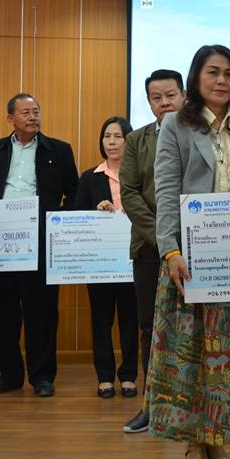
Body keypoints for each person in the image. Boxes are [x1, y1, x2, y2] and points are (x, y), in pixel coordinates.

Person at [150, 44, 230, 459]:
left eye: (229, 73)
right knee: (193, 355)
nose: (222, 80)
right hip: (190, 256)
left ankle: (218, 438)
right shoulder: (176, 124)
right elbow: (166, 188)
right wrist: (170, 251)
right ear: (196, 78)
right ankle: (194, 442)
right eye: (213, 72)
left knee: (229, 354)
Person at [0, 93, 78, 398]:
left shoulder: (59, 149)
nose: (33, 117)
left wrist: (55, 221)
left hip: (40, 239)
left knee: (41, 312)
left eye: (36, 111)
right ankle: (8, 375)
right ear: (11, 119)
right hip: (0, 240)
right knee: (1, 312)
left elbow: (73, 193)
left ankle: (42, 377)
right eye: (25, 112)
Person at [119, 69, 185, 433]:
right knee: (150, 326)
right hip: (149, 247)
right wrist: (164, 239)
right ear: (148, 102)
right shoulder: (136, 139)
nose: (165, 103)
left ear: (184, 96)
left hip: (195, 246)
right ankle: (151, 404)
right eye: (157, 98)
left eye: (171, 95)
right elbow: (129, 192)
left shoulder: (198, 134)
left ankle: (189, 402)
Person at [75, 116, 138, 398]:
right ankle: (104, 377)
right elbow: (77, 216)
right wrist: (95, 211)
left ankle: (128, 375)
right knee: (101, 320)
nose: (111, 142)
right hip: (100, 261)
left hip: (133, 259)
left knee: (130, 319)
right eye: (107, 136)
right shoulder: (90, 177)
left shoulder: (139, 174)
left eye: (117, 136)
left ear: (128, 140)